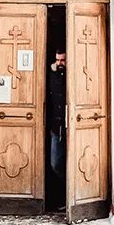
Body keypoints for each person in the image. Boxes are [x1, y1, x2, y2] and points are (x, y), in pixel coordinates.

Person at [46, 49, 67, 183]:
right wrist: (54, 72)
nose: (59, 63)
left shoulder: (70, 74)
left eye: (62, 60)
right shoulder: (52, 75)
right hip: (55, 127)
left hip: (73, 125)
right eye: (57, 60)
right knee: (55, 163)